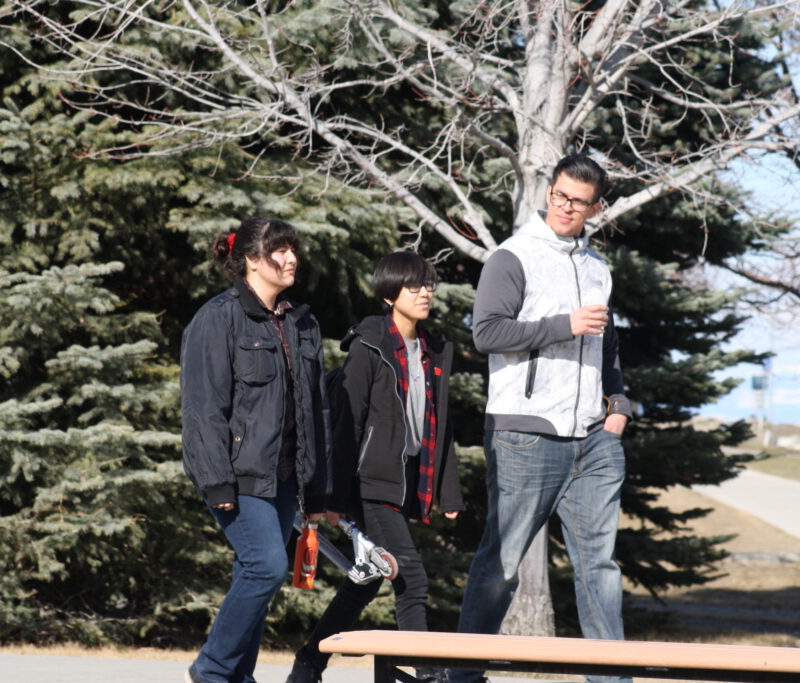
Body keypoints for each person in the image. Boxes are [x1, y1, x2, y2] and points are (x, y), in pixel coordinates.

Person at [449, 153, 633, 683]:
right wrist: (564, 324)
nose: (565, 207)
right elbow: (487, 333)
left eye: (578, 202)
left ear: (596, 207)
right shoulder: (513, 257)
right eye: (558, 195)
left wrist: (617, 407)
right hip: (525, 435)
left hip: (594, 440)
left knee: (600, 568)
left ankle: (610, 679)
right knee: (500, 566)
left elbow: (609, 347)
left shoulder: (598, 267)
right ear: (548, 192)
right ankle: (464, 676)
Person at [286, 251, 464, 683]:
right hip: (370, 484)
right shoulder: (369, 346)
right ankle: (425, 674)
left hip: (405, 482)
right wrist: (333, 498)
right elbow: (348, 425)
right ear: (389, 294)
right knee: (412, 579)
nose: (425, 293)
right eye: (414, 286)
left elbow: (440, 425)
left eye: (429, 285)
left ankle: (309, 661)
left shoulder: (432, 350)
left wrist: (448, 491)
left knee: (365, 581)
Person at [180, 217, 328, 683]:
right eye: (277, 251)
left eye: (292, 250)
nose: (289, 259)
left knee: (256, 574)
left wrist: (317, 489)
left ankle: (238, 677)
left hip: (284, 477)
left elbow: (315, 409)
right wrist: (216, 479)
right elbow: (204, 408)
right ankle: (213, 669)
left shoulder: (302, 323)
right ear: (249, 260)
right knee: (266, 566)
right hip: (237, 473)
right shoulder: (218, 318)